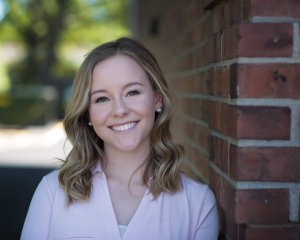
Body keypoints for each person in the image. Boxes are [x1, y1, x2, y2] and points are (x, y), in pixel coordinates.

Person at [21, 37, 219, 240]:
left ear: (157, 99)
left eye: (132, 92)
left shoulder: (198, 204)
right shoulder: (53, 192)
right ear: (88, 113)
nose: (120, 110)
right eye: (102, 98)